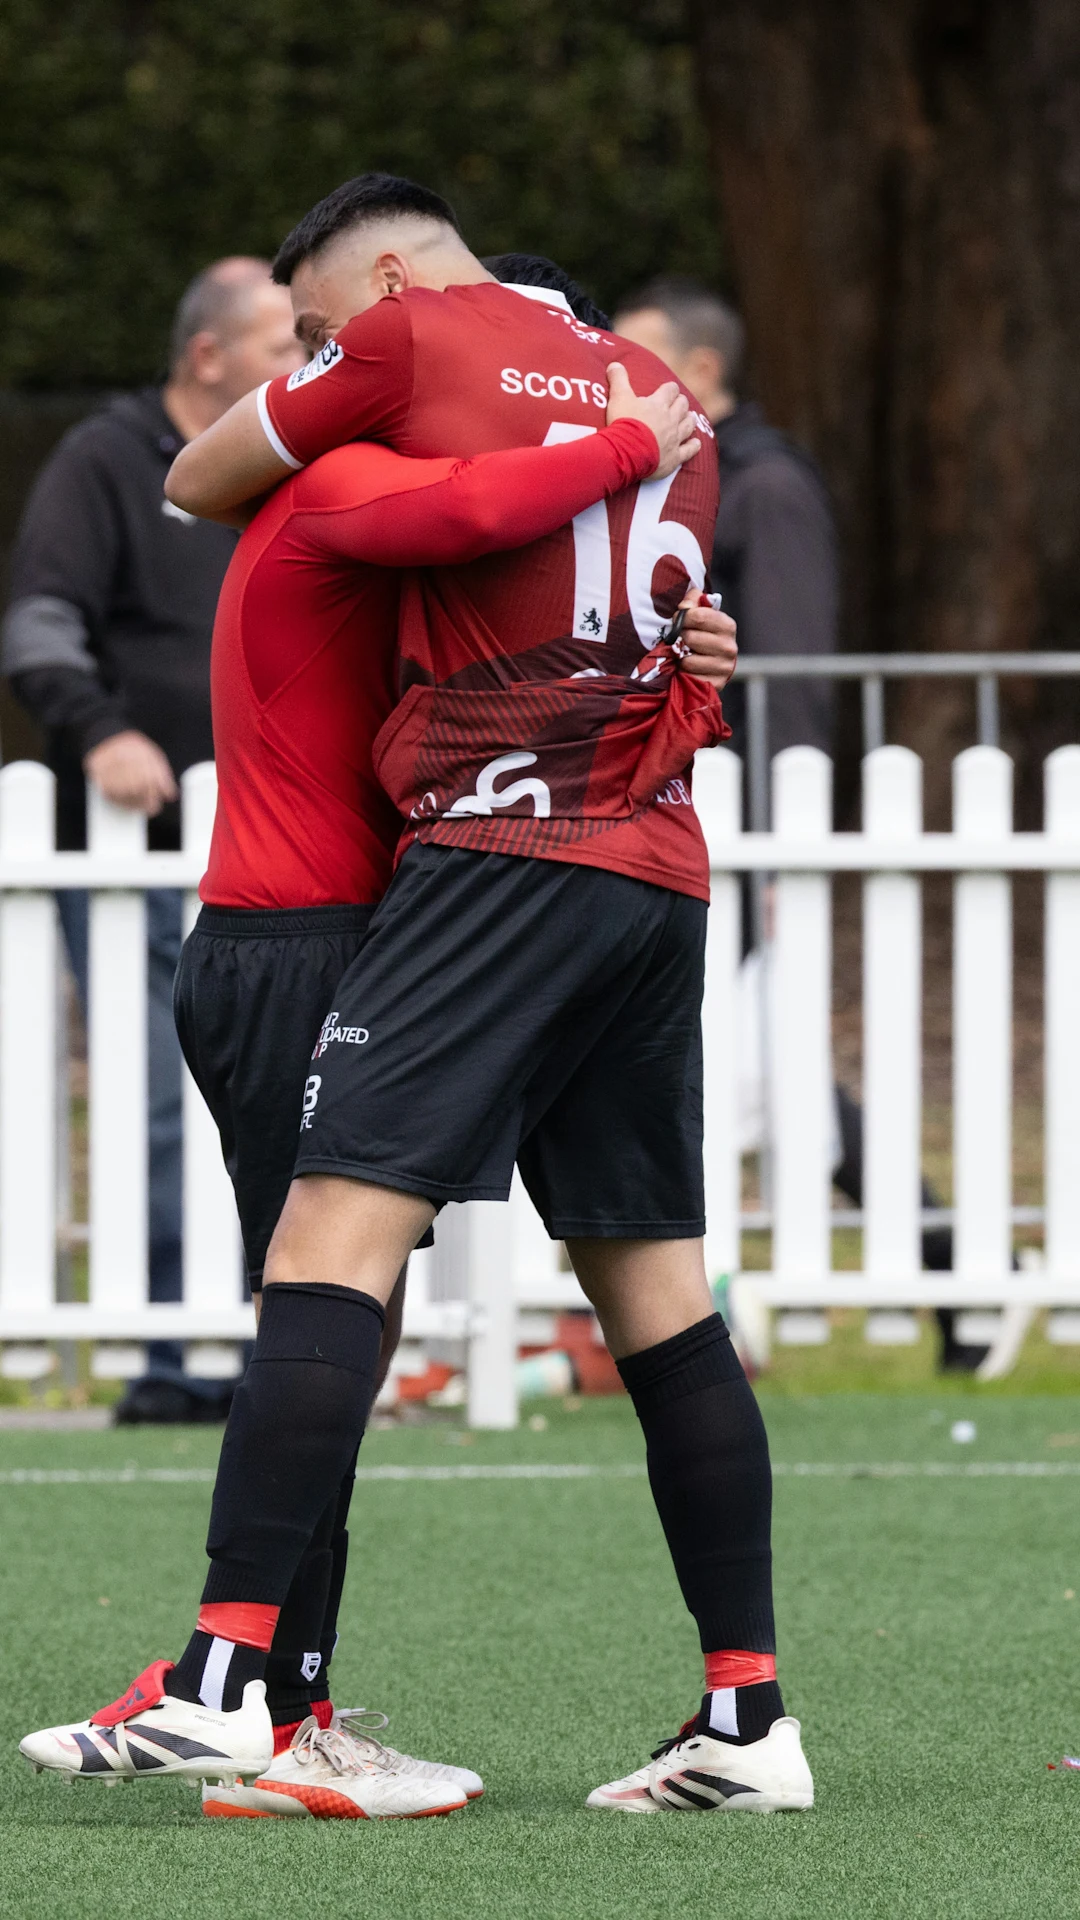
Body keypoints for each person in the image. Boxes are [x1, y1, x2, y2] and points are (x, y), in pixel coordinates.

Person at [24, 176, 810, 1819]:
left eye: (323, 334)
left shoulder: (405, 375)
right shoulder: (659, 410)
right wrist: (675, 591)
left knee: (326, 1265)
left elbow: (214, 475)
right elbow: (607, 609)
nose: (318, 364)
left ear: (391, 290)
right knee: (655, 1290)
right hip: (656, 867)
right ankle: (748, 1718)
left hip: (470, 868)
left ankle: (244, 1681)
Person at [615, 278, 976, 1369]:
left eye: (640, 361)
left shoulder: (764, 487)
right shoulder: (683, 484)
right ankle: (957, 1283)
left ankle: (955, 1281)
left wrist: (771, 834)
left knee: (768, 1072)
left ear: (705, 373)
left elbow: (795, 675)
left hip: (750, 823)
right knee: (777, 1077)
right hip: (712, 818)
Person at [0, 258, 306, 1420]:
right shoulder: (103, 459)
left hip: (273, 844)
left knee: (281, 1088)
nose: (305, 366)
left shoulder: (299, 460)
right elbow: (39, 623)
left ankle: (268, 1345)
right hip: (132, 848)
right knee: (158, 1095)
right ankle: (177, 1354)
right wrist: (98, 732)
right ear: (208, 358)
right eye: (282, 347)